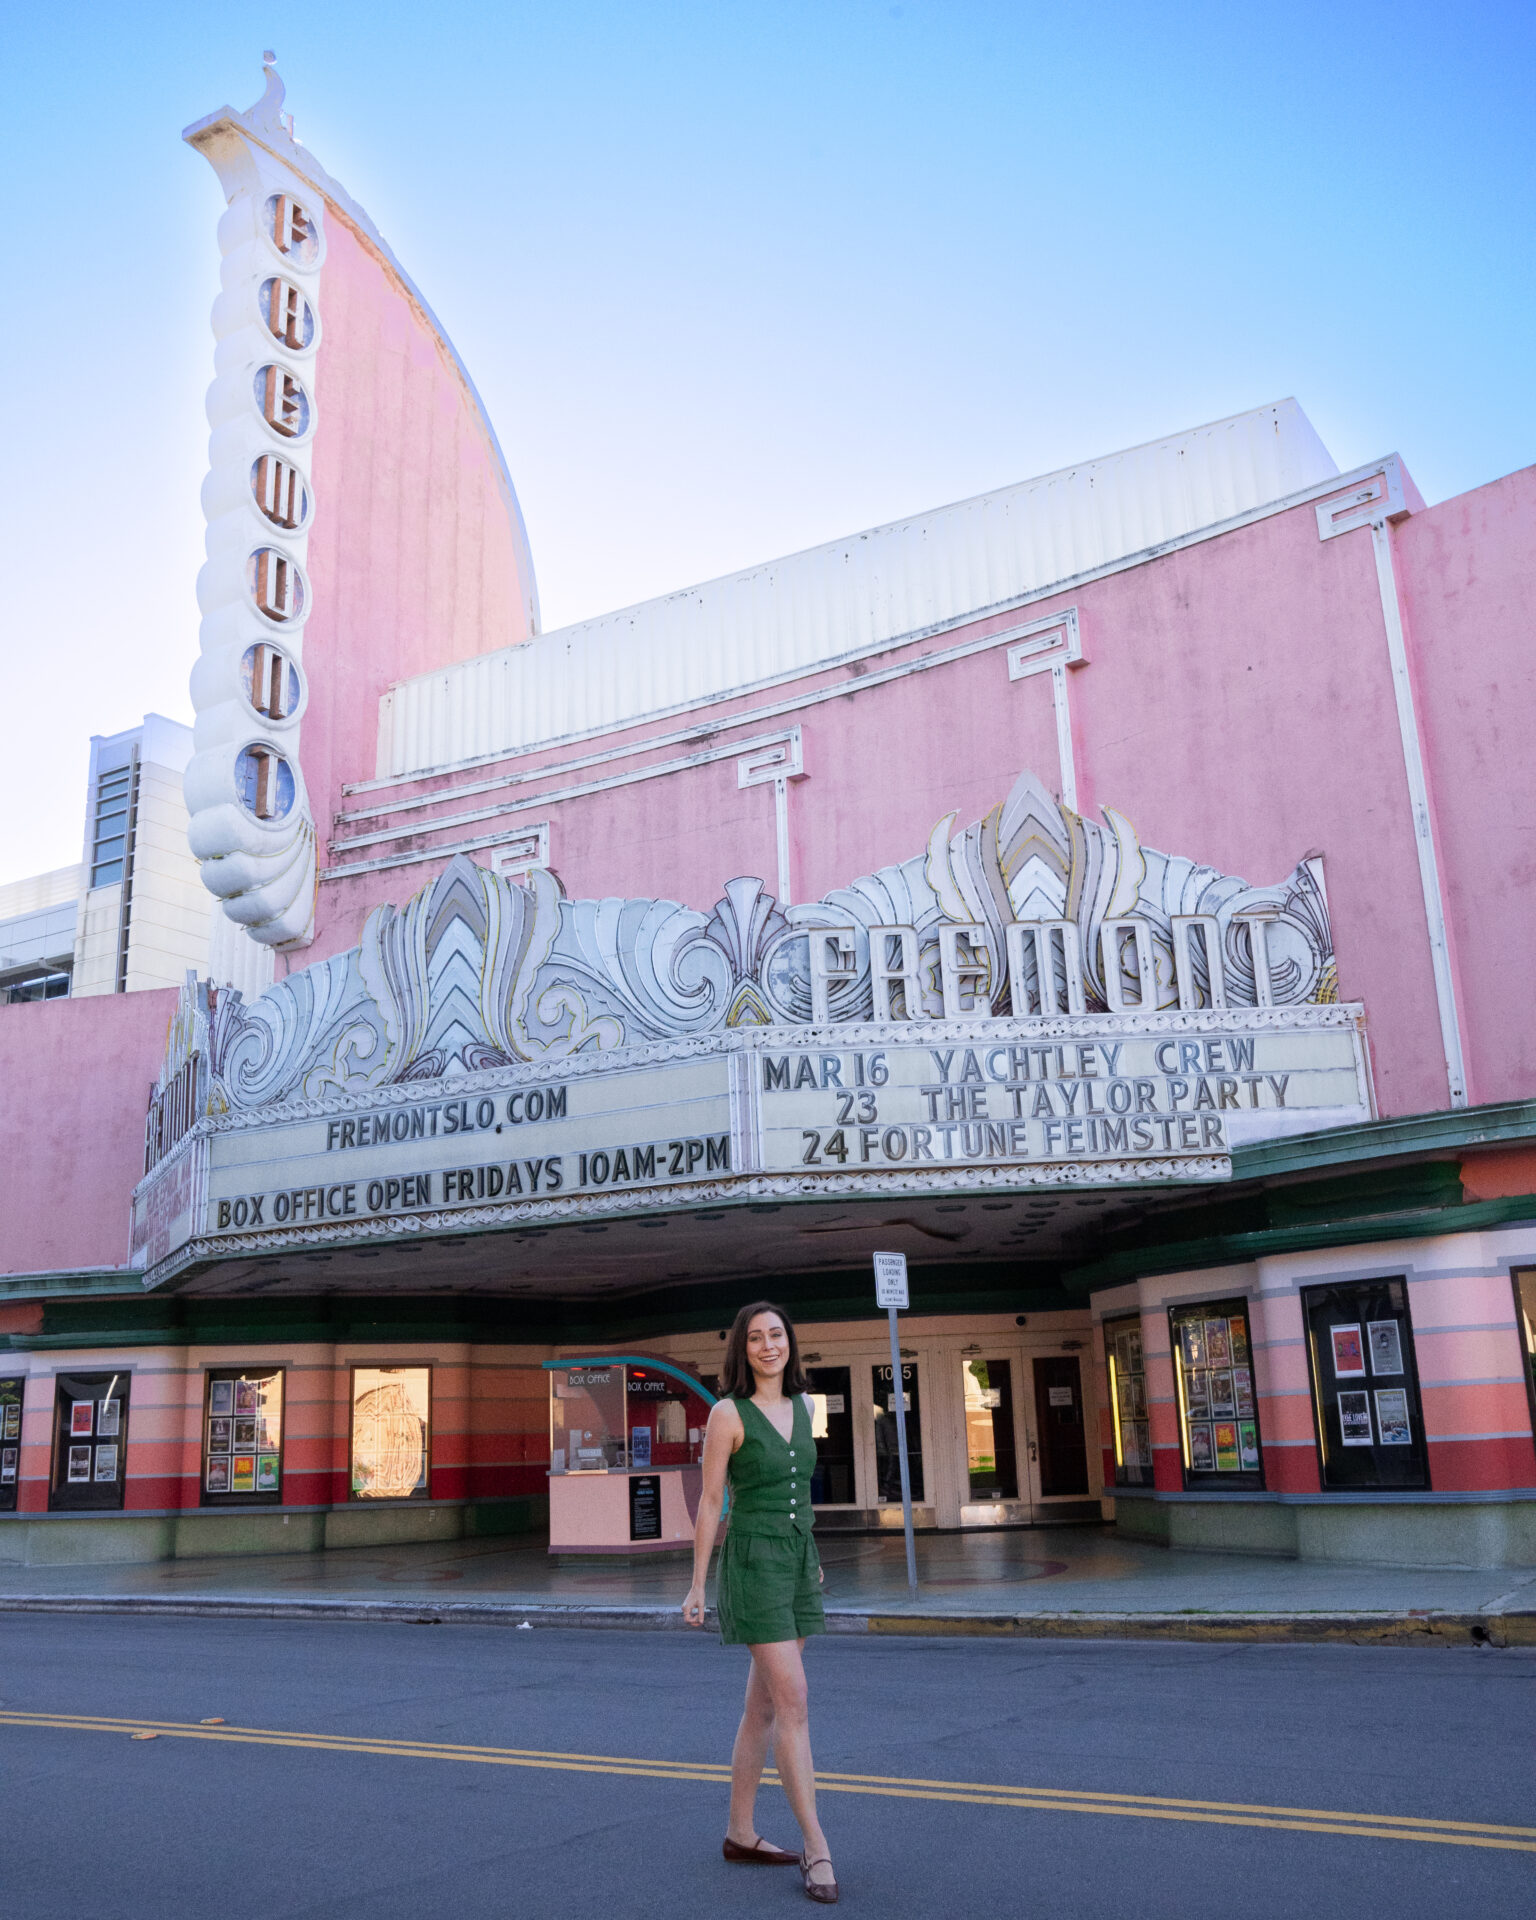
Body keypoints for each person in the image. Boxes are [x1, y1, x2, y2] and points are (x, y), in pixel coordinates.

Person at [682, 1301, 838, 1904]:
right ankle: (817, 1845)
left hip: (797, 1560)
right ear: (742, 1350)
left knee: (762, 1710)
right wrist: (698, 1583)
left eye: (777, 1335)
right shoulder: (728, 1413)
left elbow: (798, 1490)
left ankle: (740, 1833)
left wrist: (812, 1555)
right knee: (793, 1701)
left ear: (790, 1343)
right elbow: (711, 1500)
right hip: (752, 1562)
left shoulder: (803, 1406)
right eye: (756, 1338)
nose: (769, 1345)